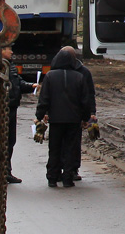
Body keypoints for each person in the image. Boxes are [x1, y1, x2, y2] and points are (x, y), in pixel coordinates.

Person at [36, 48, 93, 187]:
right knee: (70, 148)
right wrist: (85, 118)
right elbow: (85, 100)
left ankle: (52, 177)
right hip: (73, 119)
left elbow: (44, 98)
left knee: (54, 148)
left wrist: (39, 115)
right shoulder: (79, 77)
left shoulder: (50, 76)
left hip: (56, 119)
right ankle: (68, 177)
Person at [57, 46, 96, 181]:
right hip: (62, 113)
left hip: (75, 113)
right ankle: (61, 168)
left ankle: (72, 169)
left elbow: (89, 94)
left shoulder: (83, 72)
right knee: (61, 143)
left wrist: (91, 113)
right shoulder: (57, 71)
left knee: (73, 144)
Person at [0, 46, 35, 184]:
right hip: (2, 110)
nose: (12, 52)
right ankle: (1, 170)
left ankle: (6, 171)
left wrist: (30, 86)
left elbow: (18, 83)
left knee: (10, 141)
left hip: (12, 108)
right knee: (2, 141)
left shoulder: (11, 66)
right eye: (9, 49)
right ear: (1, 50)